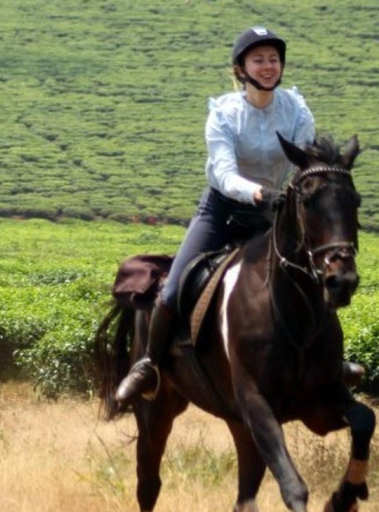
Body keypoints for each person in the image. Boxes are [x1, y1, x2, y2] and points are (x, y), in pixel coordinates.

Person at [115, 26, 363, 405]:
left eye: (274, 60)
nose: (268, 66)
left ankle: (331, 362)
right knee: (175, 288)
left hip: (275, 211)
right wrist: (258, 191)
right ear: (241, 68)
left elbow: (306, 163)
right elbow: (226, 174)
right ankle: (148, 365)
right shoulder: (224, 114)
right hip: (223, 211)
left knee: (312, 276)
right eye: (259, 60)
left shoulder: (296, 109)